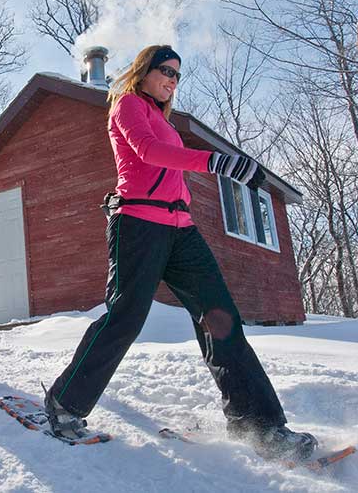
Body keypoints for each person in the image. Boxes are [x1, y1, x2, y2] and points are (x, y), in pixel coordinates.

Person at [43, 45, 318, 461]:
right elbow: (149, 154)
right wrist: (217, 162)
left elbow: (170, 161)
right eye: (166, 71)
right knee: (127, 316)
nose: (172, 80)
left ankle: (258, 426)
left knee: (221, 318)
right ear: (145, 71)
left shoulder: (165, 121)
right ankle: (65, 403)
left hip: (180, 228)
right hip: (138, 223)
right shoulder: (128, 105)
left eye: (177, 75)